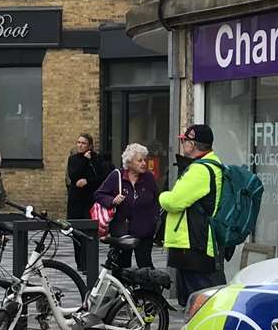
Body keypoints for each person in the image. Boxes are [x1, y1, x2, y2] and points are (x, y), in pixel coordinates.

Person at [159, 124, 226, 304]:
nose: (183, 144)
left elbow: (174, 201)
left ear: (193, 144)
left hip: (194, 243)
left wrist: (162, 196)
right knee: (200, 297)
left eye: (184, 141)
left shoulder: (200, 170)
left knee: (198, 300)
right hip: (197, 241)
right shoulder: (212, 164)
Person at [94, 142, 160, 270]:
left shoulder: (148, 178)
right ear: (129, 162)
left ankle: (147, 291)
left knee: (145, 266)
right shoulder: (116, 176)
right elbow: (99, 194)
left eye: (144, 160)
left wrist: (154, 221)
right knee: (121, 267)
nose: (144, 163)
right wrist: (112, 200)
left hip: (144, 232)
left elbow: (157, 200)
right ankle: (123, 290)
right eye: (139, 160)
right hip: (122, 232)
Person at [66, 133, 96, 222]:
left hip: (90, 197)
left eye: (83, 143)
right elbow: (74, 175)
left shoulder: (96, 158)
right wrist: (85, 160)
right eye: (78, 142)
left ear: (90, 146)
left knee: (88, 225)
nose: (80, 145)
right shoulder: (73, 159)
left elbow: (100, 177)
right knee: (74, 226)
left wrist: (87, 181)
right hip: (76, 197)